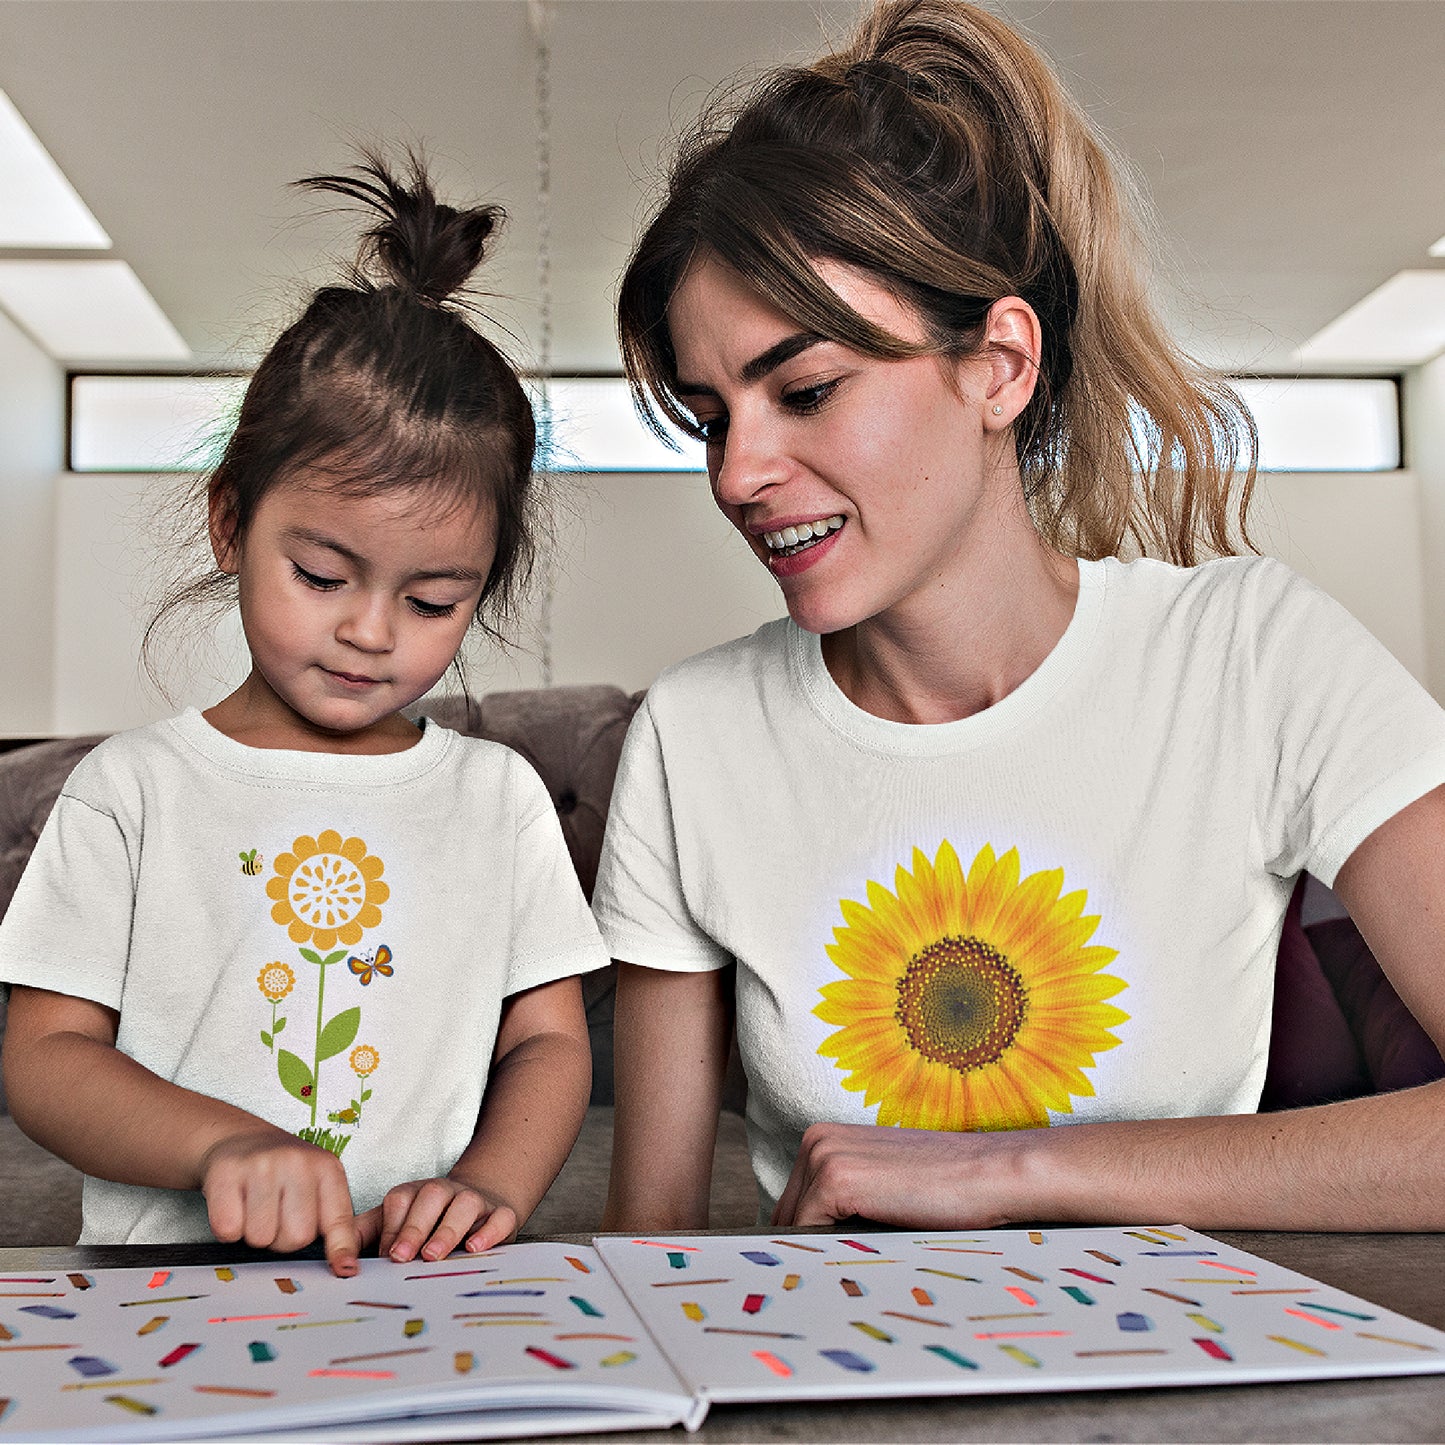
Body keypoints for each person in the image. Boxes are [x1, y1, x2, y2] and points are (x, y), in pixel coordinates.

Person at [596, 0, 1445, 1234]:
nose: (737, 473)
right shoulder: (693, 736)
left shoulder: (1253, 658)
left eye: (806, 389)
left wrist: (1019, 1168)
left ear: (996, 365)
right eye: (714, 414)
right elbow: (651, 1261)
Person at [0, 153, 607, 1276]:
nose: (372, 631)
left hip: (410, 1289)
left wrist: (489, 1183)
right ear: (231, 522)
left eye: (432, 599)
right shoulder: (132, 790)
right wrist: (215, 1143)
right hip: (160, 1296)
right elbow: (42, 1052)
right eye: (323, 575)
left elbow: (548, 1040)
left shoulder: (496, 798)